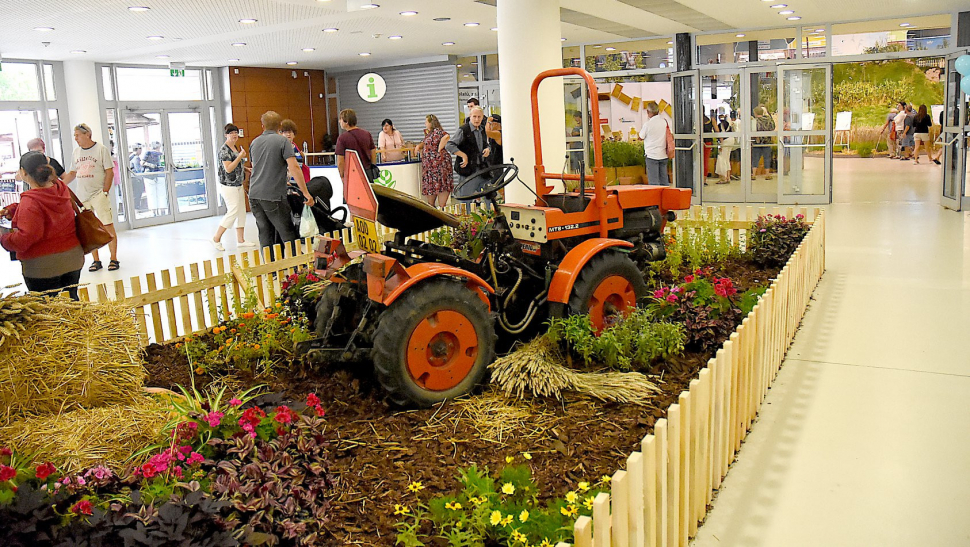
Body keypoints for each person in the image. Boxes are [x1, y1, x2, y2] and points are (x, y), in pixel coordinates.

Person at [0, 152, 84, 299]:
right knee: (72, 307)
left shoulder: (30, 202)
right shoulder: (61, 188)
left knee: (49, 313)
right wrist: (13, 209)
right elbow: (45, 206)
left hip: (43, 267)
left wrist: (4, 237)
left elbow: (26, 238)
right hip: (73, 259)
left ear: (24, 172)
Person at [249, 111, 313, 250]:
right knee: (287, 233)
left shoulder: (254, 142)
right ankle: (297, 268)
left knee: (265, 233)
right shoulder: (282, 141)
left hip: (254, 195)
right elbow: (295, 167)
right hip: (273, 196)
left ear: (262, 126)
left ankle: (270, 268)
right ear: (279, 126)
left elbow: (256, 167)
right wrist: (306, 192)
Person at [60, 123, 118, 272]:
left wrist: (105, 191)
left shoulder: (101, 150)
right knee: (89, 229)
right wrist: (60, 185)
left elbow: (109, 172)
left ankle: (113, 258)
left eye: (78, 135)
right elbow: (72, 173)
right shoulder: (76, 152)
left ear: (87, 134)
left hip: (98, 194)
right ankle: (96, 260)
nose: (76, 138)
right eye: (74, 135)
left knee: (107, 225)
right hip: (83, 196)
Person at [212, 124, 255, 251]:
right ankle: (216, 238)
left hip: (238, 183)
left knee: (241, 211)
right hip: (228, 185)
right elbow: (229, 168)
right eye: (231, 133)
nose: (234, 135)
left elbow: (237, 165)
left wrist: (246, 168)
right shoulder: (224, 150)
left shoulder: (235, 147)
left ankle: (240, 240)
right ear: (226, 135)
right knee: (233, 211)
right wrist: (240, 157)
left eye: (236, 132)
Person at [446, 106, 491, 209]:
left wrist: (488, 149)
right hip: (468, 171)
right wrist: (463, 155)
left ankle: (491, 218)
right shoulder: (463, 130)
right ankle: (467, 223)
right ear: (470, 116)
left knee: (490, 196)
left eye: (479, 117)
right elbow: (449, 145)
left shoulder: (483, 129)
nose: (476, 119)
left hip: (483, 170)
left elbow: (487, 144)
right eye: (474, 116)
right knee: (466, 200)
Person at [415, 114, 453, 208]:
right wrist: (419, 146)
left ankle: (441, 207)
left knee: (441, 184)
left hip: (437, 164)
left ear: (431, 123)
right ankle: (436, 207)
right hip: (430, 166)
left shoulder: (437, 132)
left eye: (426, 122)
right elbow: (425, 143)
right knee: (433, 185)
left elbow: (447, 136)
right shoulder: (430, 133)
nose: (425, 124)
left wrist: (439, 149)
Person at [335, 109, 377, 188]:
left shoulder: (342, 138)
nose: (339, 122)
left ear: (346, 121)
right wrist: (372, 167)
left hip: (352, 173)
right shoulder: (366, 134)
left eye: (340, 119)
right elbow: (373, 153)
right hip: (367, 171)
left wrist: (342, 176)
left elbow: (340, 161)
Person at [637, 101, 670, 186]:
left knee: (654, 183)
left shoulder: (648, 124)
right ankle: (666, 198)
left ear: (648, 112)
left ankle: (656, 199)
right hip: (663, 155)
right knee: (664, 181)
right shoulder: (664, 122)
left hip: (652, 156)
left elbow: (641, 137)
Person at [280, 119, 312, 183]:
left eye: (290, 132)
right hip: (287, 182)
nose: (288, 134)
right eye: (285, 132)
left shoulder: (295, 147)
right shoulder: (280, 147)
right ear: (281, 133)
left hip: (299, 181)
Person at [141, 142, 167, 215]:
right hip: (160, 174)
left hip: (149, 175)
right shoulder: (161, 154)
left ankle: (154, 211)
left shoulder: (148, 153)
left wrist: (150, 165)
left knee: (151, 193)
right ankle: (162, 210)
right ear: (159, 147)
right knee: (162, 193)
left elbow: (142, 163)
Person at [751, 105, 775, 181]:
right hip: (767, 141)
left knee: (755, 158)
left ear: (755, 113)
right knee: (767, 158)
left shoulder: (755, 121)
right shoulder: (768, 119)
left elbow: (753, 131)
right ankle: (767, 174)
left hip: (757, 142)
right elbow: (773, 127)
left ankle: (754, 174)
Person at [715, 112, 738, 184]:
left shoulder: (720, 125)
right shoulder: (729, 124)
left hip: (725, 141)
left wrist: (720, 145)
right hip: (731, 140)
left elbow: (720, 136)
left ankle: (723, 177)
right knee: (727, 159)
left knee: (722, 158)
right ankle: (728, 176)